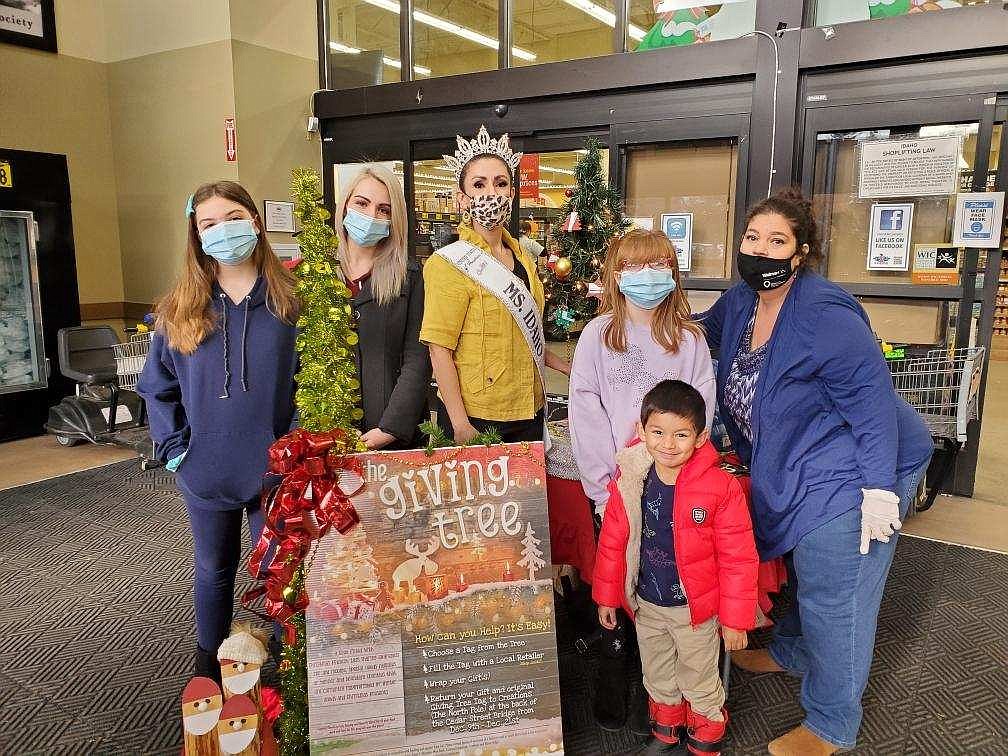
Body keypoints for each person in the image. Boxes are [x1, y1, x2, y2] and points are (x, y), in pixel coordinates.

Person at [699, 188, 933, 755]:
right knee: (804, 574)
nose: (761, 250)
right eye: (752, 238)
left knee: (837, 592)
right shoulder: (740, 303)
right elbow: (693, 335)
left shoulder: (825, 313)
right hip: (797, 463)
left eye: (777, 241)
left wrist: (879, 494)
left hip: (857, 467)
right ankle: (792, 652)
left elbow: (873, 408)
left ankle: (832, 721)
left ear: (801, 252)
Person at [137, 181, 299, 680]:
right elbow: (156, 387)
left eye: (232, 216)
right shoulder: (178, 311)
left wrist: (295, 446)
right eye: (208, 224)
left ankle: (290, 675)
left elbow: (304, 382)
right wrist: (174, 449)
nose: (222, 230)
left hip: (272, 471)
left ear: (254, 220)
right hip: (205, 468)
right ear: (196, 234)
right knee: (212, 570)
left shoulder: (289, 303)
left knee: (281, 574)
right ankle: (207, 669)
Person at [568, 229, 716, 733]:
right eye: (635, 266)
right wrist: (600, 482)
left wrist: (681, 474)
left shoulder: (690, 339)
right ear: (615, 274)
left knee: (666, 586)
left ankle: (680, 698)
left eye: (658, 265)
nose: (646, 277)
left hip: (674, 486)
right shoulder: (597, 335)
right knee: (613, 580)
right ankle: (616, 696)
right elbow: (584, 411)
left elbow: (702, 409)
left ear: (673, 275)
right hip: (616, 484)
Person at [593, 380, 758, 756]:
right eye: (658, 432)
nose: (668, 444)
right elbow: (613, 542)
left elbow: (738, 557)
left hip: (695, 612)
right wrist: (606, 597)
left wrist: (736, 619)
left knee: (698, 676)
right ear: (641, 431)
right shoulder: (631, 479)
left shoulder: (720, 488)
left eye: (681, 434)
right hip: (647, 604)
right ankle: (668, 727)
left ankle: (706, 735)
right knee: (657, 672)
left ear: (700, 437)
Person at [421, 125, 570, 444]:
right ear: (462, 197)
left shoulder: (525, 258)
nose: (492, 193)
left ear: (512, 194)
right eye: (479, 184)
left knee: (529, 496)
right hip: (478, 416)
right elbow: (439, 350)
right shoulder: (448, 263)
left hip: (530, 407)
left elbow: (529, 337)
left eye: (501, 183)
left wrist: (567, 367)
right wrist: (460, 425)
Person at [335, 165, 431, 449]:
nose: (371, 216)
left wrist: (390, 427)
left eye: (383, 210)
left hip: (395, 437)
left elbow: (418, 358)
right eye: (362, 204)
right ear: (345, 206)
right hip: (331, 437)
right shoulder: (316, 276)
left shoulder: (410, 277)